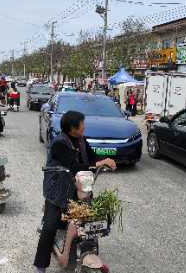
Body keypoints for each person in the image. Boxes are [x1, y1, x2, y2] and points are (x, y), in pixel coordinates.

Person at [34, 111, 116, 273]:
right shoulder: (59, 143)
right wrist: (100, 163)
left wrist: (105, 162)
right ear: (72, 128)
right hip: (58, 191)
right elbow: (73, 166)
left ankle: (84, 250)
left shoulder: (82, 140)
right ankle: (40, 265)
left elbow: (92, 159)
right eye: (81, 124)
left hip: (80, 187)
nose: (84, 127)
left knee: (90, 219)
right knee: (50, 226)